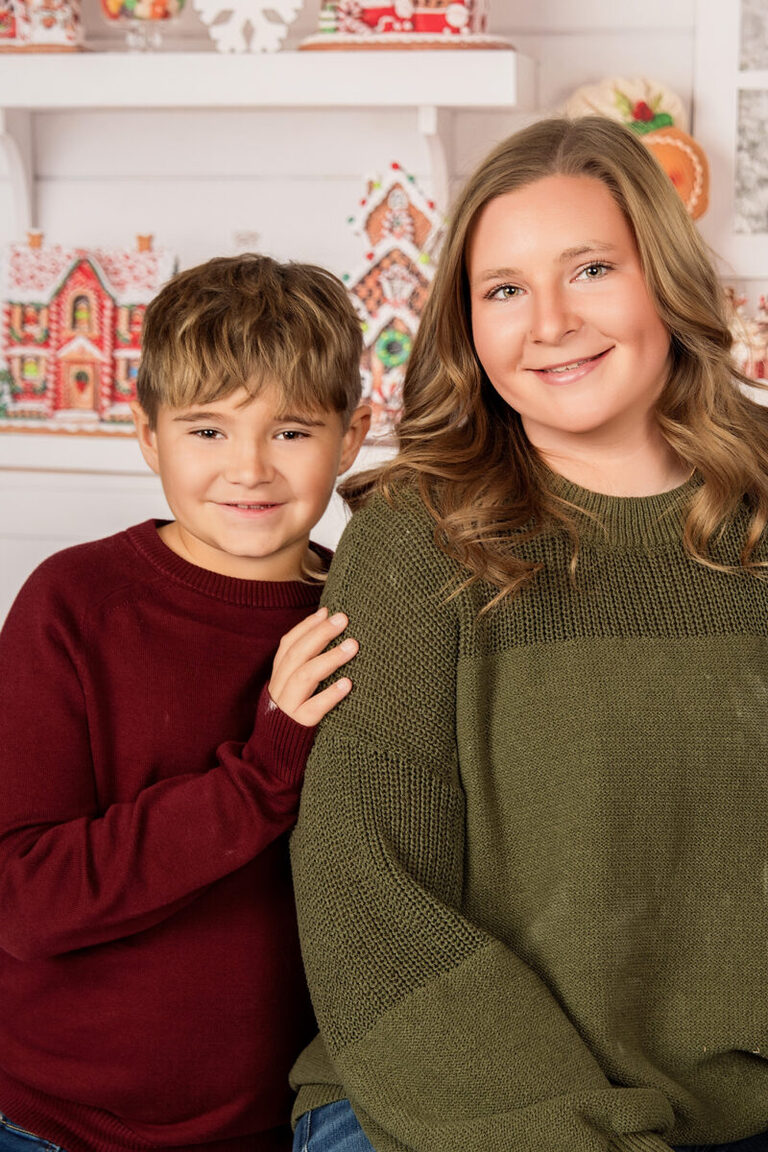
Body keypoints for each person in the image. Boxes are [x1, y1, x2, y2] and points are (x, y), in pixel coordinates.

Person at [288, 116, 768, 1152]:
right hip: (447, 1092)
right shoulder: (416, 538)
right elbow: (367, 895)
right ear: (469, 326)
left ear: (666, 280)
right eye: (504, 289)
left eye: (590, 269)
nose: (548, 323)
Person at [0, 254, 370, 1152]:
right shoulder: (74, 601)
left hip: (279, 1122)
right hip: (58, 1122)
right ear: (147, 435)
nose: (249, 469)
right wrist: (261, 773)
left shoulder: (363, 615)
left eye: (291, 431)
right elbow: (24, 898)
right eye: (207, 431)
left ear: (351, 438)